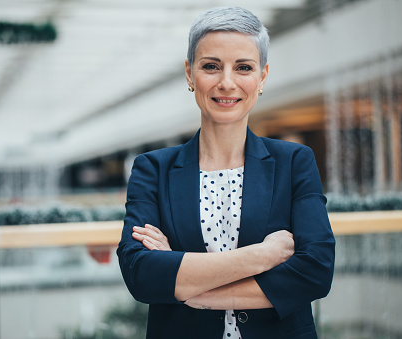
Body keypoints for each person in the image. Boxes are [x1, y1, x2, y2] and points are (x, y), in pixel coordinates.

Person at [117, 6, 335, 339]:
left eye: (243, 67)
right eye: (211, 66)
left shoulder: (294, 162)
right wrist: (262, 256)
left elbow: (315, 271)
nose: (227, 82)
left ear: (262, 77)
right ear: (190, 74)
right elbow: (142, 274)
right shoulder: (153, 169)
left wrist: (190, 287)